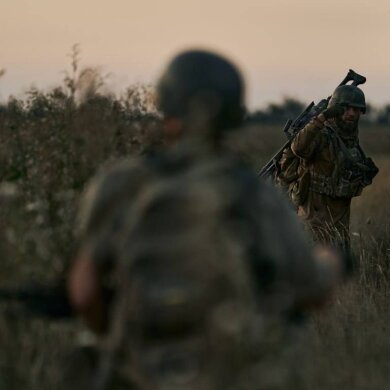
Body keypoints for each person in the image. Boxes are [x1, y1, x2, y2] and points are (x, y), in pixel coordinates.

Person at [67, 49, 341, 389]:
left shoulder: (119, 184)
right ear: (233, 116)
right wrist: (331, 262)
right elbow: (310, 289)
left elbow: (84, 292)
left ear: (165, 106)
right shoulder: (253, 195)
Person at [289, 84, 378, 269]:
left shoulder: (350, 137)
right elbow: (298, 148)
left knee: (338, 272)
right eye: (346, 108)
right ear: (336, 108)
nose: (352, 114)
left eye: (356, 110)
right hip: (314, 217)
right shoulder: (321, 133)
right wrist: (322, 117)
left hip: (339, 220)